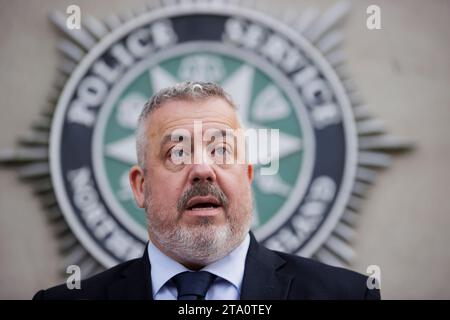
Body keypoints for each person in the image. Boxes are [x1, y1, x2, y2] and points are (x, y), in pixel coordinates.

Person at [33, 82, 380, 300]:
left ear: (247, 176)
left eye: (221, 151)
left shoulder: (347, 296)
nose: (202, 169)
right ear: (141, 187)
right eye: (177, 153)